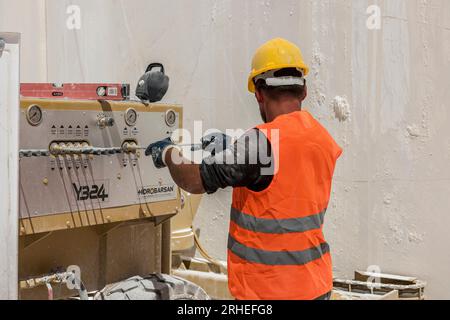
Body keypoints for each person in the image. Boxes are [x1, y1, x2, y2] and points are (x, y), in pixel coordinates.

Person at [145, 38, 342, 300]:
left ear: (259, 92)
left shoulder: (261, 142)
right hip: (316, 285)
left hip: (270, 292)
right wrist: (231, 148)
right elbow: (281, 170)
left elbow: (194, 180)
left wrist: (168, 152)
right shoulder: (321, 138)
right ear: (303, 90)